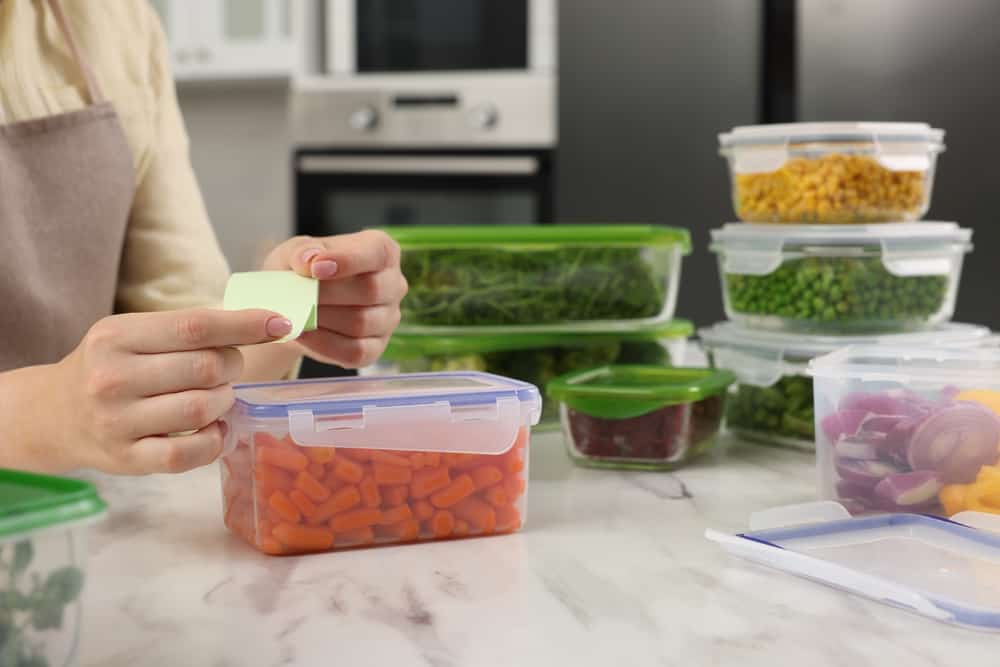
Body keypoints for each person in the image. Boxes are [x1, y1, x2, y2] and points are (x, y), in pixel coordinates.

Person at [0, 1, 407, 475]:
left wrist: (289, 311)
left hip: (87, 526)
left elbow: (183, 331)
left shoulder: (114, 22)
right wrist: (39, 417)